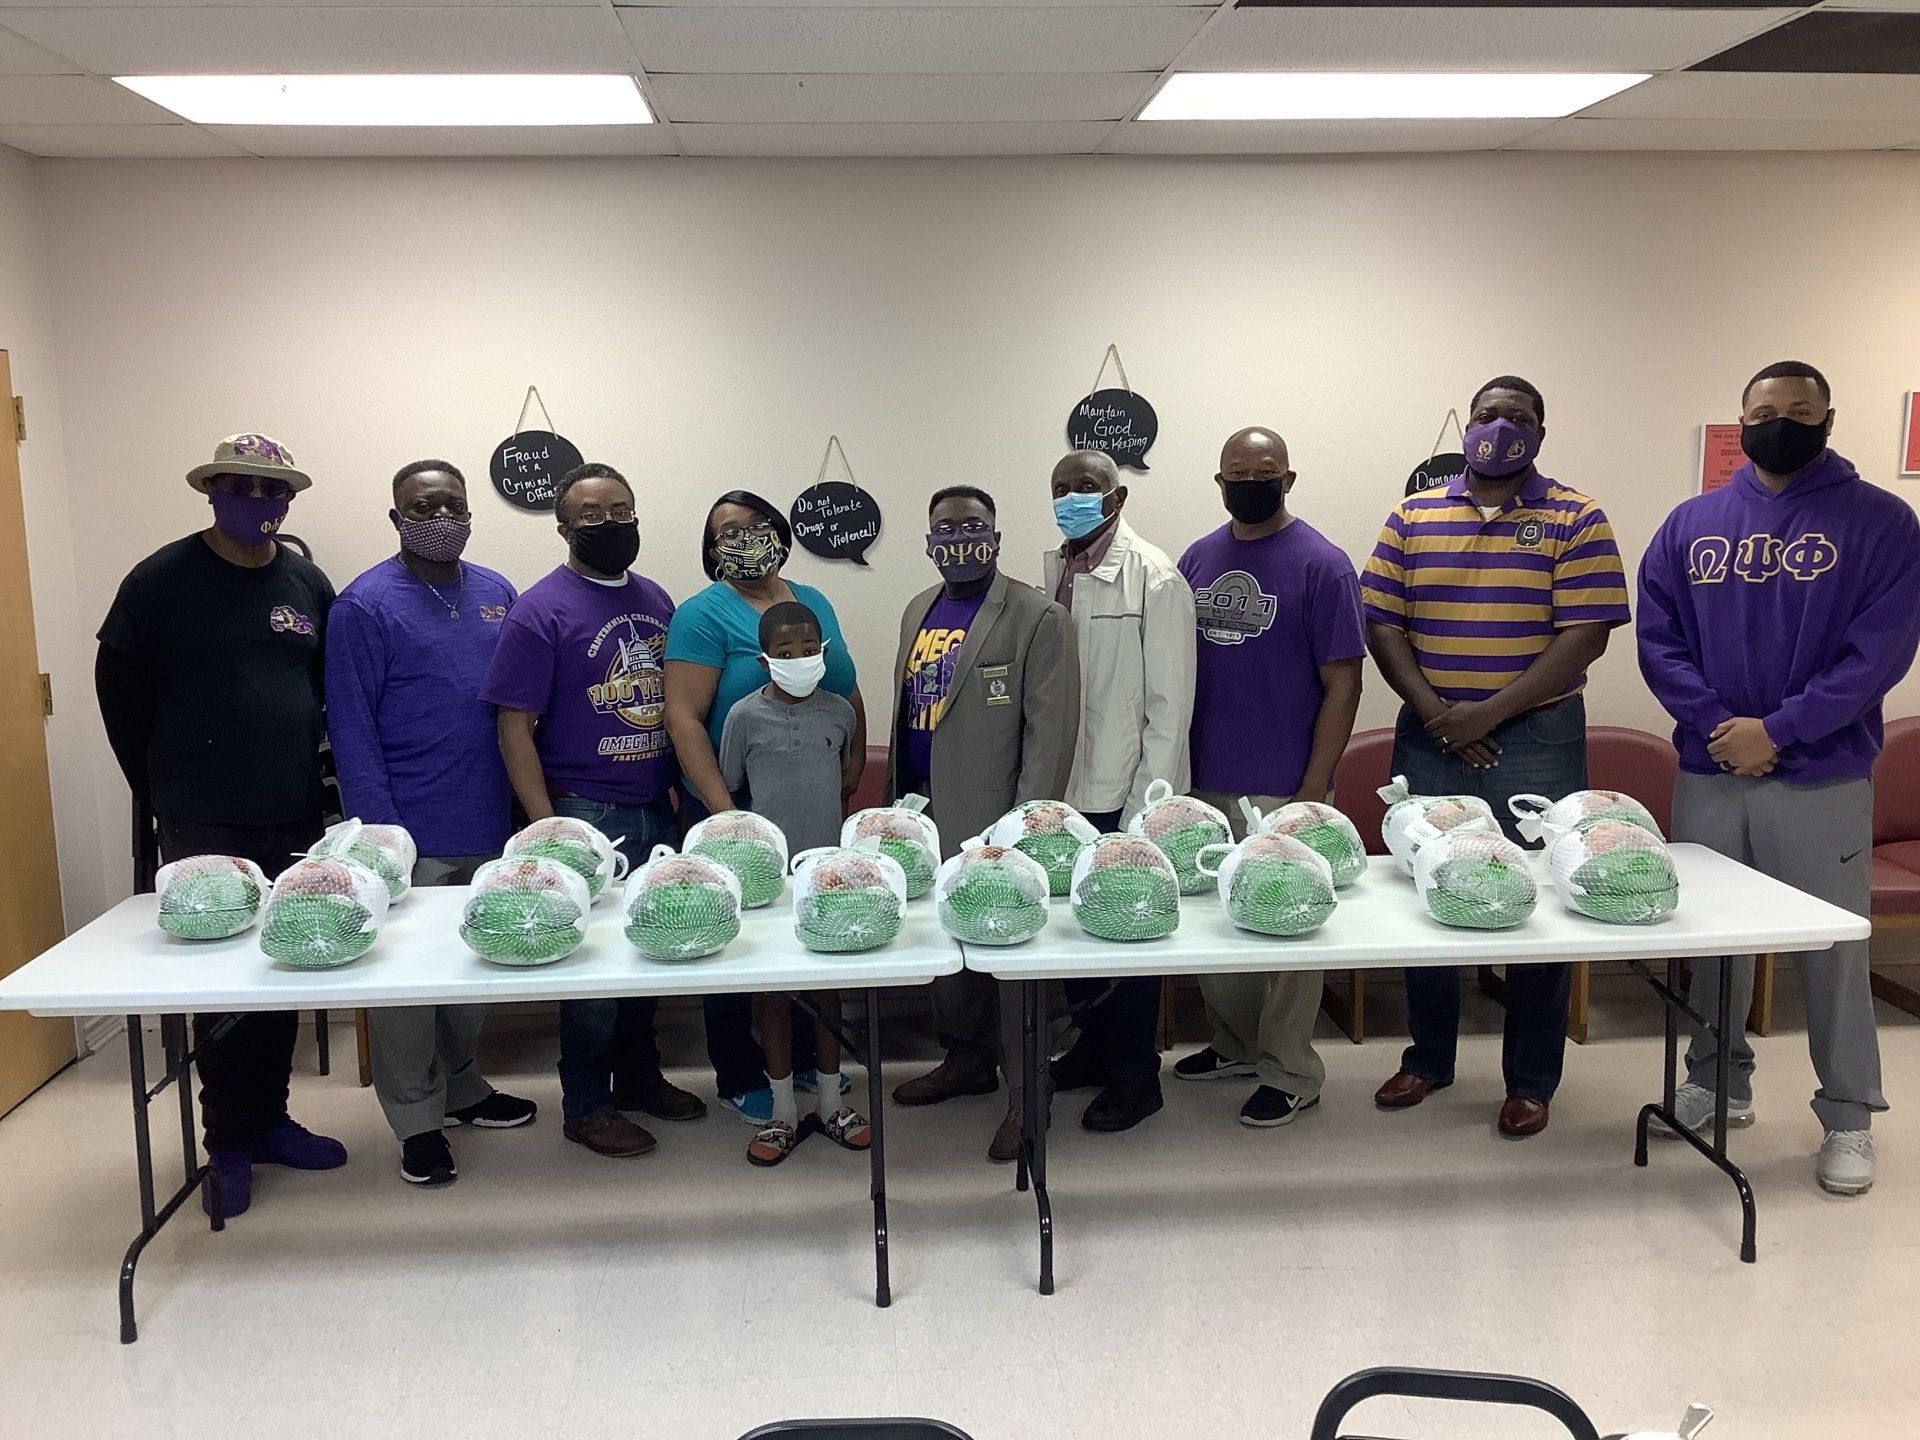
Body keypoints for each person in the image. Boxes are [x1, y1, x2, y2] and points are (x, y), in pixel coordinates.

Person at [1638, 360, 1920, 1197]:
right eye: (1764, 411)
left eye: (1800, 411)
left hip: (1822, 776)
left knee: (1833, 953)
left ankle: (1849, 1116)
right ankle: (1717, 1079)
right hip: (1712, 769)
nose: (1780, 423)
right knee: (1710, 943)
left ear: (1829, 420)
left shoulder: (1882, 522)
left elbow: (1879, 653)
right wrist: (1722, 730)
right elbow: (1659, 640)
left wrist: (1780, 731)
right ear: (1741, 421)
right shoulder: (1692, 523)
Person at [1363, 376, 1630, 1138]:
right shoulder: (1413, 514)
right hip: (1431, 733)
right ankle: (1428, 1059)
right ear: (1466, 427)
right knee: (1427, 890)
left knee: (1541, 901)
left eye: (1518, 417)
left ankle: (1531, 1079)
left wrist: (1487, 713)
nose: (1500, 427)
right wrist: (1438, 715)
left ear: (1540, 434)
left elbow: (1586, 634)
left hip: (1537, 737)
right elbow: (1382, 622)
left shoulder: (1577, 516)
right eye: (1488, 415)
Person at [95, 432, 346, 1217]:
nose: (259, 502)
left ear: (290, 501)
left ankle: (270, 1120)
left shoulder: (305, 581)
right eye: (242, 487)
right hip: (204, 815)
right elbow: (119, 695)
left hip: (292, 807)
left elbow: (322, 688)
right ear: (212, 491)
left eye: (274, 490)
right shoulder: (160, 581)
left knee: (285, 963)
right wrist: (162, 791)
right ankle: (228, 1142)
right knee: (224, 984)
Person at [480, 461, 706, 1157]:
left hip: (655, 806)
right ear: (563, 528)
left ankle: (639, 1078)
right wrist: (548, 826)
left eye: (620, 511)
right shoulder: (539, 609)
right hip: (584, 812)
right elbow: (514, 726)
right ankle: (586, 1105)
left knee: (647, 949)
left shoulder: (656, 597)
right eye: (591, 516)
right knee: (591, 975)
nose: (609, 525)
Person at [325, 459, 539, 1188]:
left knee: (472, 969)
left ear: (471, 512)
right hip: (408, 831)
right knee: (408, 989)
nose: (441, 517)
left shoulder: (497, 593)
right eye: (423, 507)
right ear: (396, 518)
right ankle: (417, 1121)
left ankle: (464, 1089)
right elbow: (351, 728)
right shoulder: (364, 606)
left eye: (453, 504)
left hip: (490, 821)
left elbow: (518, 710)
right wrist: (382, 837)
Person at [1170, 428, 1364, 1129]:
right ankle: (1235, 1045)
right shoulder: (1197, 558)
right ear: (1219, 482)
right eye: (1238, 474)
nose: (1250, 483)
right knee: (1215, 926)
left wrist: (1313, 789)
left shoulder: (1323, 565)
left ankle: (1290, 1071)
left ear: (1288, 479)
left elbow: (1344, 682)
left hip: (1285, 784)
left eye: (1265, 473)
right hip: (1204, 781)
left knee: (1288, 933)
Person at [888, 485, 1079, 1163]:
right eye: (945, 529)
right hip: (926, 814)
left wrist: (1023, 830)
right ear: (928, 542)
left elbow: (1050, 736)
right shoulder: (918, 607)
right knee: (950, 948)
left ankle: (1029, 1095)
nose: (958, 539)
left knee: (1012, 960)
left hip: (1000, 825)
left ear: (995, 539)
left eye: (972, 527)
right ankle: (965, 1062)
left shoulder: (1039, 617)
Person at [664, 492, 866, 1125]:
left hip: (812, 806)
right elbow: (684, 718)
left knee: (808, 935)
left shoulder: (813, 600)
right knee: (737, 946)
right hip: (736, 808)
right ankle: (740, 1074)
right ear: (711, 550)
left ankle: (805, 1061)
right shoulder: (701, 614)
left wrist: (850, 773)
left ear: (780, 531)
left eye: (756, 525)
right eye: (728, 532)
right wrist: (728, 815)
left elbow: (844, 685)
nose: (745, 538)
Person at [1040, 449, 1195, 1134]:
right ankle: (1093, 1050)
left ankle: (1136, 1076)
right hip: (1063, 791)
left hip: (1120, 790)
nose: (1072, 496)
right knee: (1079, 933)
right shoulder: (1058, 568)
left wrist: (1144, 811)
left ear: (1118, 496)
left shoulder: (1155, 578)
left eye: (1087, 486)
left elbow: (1170, 707)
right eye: (1061, 487)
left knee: (1127, 936)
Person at [717, 600, 873, 1165]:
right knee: (772, 995)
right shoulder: (743, 717)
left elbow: (848, 776)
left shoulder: (838, 712)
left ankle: (831, 1102)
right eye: (786, 651)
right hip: (767, 882)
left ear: (823, 651)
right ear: (765, 660)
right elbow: (731, 783)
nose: (800, 658)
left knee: (829, 991)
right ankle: (782, 1110)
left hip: (827, 876)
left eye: (809, 649)